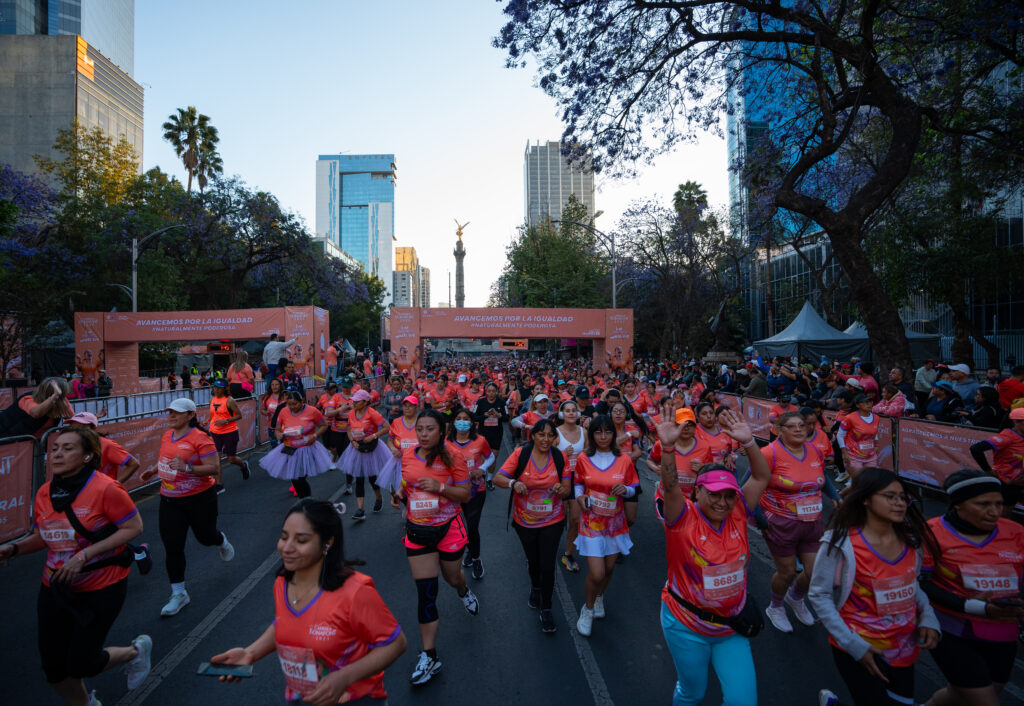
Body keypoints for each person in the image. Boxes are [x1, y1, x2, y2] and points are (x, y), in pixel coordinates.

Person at [0, 427, 152, 705]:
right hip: (56, 587)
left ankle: (135, 652)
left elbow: (134, 527)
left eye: (68, 448)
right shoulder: (46, 492)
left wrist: (83, 556)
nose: (57, 453)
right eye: (55, 448)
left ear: (87, 456)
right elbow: (43, 536)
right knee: (54, 670)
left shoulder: (106, 488)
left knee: (81, 663)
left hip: (102, 586)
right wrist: (12, 549)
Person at [210, 499, 406, 704]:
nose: (287, 547)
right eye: (283, 537)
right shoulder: (282, 582)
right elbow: (285, 622)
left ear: (327, 543)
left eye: (301, 541)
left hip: (354, 699)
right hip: (301, 697)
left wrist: (344, 677)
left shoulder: (355, 591)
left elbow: (396, 644)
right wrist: (250, 653)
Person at [654, 403, 770, 706]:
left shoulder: (738, 513)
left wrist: (749, 441)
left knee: (744, 702)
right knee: (692, 692)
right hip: (686, 625)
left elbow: (760, 477)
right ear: (697, 493)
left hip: (731, 627)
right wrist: (668, 449)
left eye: (729, 494)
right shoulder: (682, 518)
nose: (722, 502)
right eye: (714, 494)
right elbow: (669, 485)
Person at [809, 468, 941, 706]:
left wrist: (929, 617)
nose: (899, 503)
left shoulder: (912, 541)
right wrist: (853, 645)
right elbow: (819, 595)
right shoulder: (840, 544)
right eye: (890, 497)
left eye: (902, 497)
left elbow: (913, 586)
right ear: (866, 499)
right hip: (857, 646)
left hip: (904, 649)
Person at [920, 470, 1024, 706]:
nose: (994, 511)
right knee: (983, 700)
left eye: (998, 503)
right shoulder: (933, 532)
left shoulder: (1016, 532)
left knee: (962, 694)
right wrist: (977, 607)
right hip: (952, 627)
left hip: (1003, 626)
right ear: (958, 504)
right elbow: (922, 584)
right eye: (983, 504)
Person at [391, 410, 479, 686]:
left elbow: (465, 494)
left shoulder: (454, 455)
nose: (424, 434)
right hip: (418, 530)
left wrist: (440, 487)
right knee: (426, 592)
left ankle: (464, 591)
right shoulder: (409, 454)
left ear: (442, 431)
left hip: (448, 528)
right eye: (420, 429)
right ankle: (430, 656)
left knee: (452, 578)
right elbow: (408, 480)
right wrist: (399, 493)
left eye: (430, 429)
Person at [135, 399, 234, 618]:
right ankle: (179, 594)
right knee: (173, 547)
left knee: (205, 537)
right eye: (169, 412)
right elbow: (167, 460)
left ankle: (220, 540)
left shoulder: (201, 438)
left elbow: (214, 467)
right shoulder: (166, 435)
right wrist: (153, 471)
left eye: (176, 413)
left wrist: (188, 468)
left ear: (190, 415)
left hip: (200, 499)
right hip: (170, 500)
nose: (171, 416)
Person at [759, 410, 835, 634]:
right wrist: (760, 519)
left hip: (813, 522)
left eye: (802, 425)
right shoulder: (768, 453)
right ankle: (776, 606)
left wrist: (837, 497)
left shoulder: (814, 451)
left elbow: (823, 476)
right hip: (781, 523)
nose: (799, 429)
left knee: (815, 572)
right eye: (792, 426)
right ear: (780, 431)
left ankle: (795, 598)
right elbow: (748, 487)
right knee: (788, 572)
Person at [495, 418, 569, 633]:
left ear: (554, 438)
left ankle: (546, 608)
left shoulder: (559, 456)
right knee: (534, 561)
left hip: (552, 520)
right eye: (541, 434)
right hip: (524, 521)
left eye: (550, 435)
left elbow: (567, 488)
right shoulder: (521, 454)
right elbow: (499, 477)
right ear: (533, 436)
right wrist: (514, 483)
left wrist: (560, 489)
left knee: (547, 564)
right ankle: (535, 586)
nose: (545, 439)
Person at [572, 414, 639, 637]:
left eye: (607, 432)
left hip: (615, 523)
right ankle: (587, 609)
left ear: (613, 434)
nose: (603, 436)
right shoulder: (583, 458)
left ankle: (599, 597)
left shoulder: (624, 460)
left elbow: (633, 486)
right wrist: (580, 497)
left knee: (609, 568)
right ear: (592, 435)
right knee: (597, 572)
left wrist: (626, 491)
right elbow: (579, 482)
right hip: (591, 521)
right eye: (598, 432)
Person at [447, 407, 495, 581]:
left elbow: (490, 457)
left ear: (472, 422)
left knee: (472, 526)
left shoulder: (480, 440)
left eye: (465, 418)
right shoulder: (446, 442)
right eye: (458, 418)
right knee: (457, 526)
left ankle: (476, 558)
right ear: (453, 422)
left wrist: (481, 469)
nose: (462, 421)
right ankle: (468, 550)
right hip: (453, 491)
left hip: (475, 489)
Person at [260, 390, 331, 499]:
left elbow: (324, 425)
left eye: (295, 404)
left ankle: (307, 501)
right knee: (294, 478)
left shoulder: (313, 411)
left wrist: (315, 435)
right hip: (289, 449)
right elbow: (277, 429)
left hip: (307, 449)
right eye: (289, 404)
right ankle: (303, 502)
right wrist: (278, 434)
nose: (292, 407)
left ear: (302, 401)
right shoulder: (283, 411)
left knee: (300, 478)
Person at [338, 390, 390, 521]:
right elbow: (349, 429)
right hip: (356, 447)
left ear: (365, 402)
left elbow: (386, 427)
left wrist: (373, 436)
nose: (354, 403)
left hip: (371, 448)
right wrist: (352, 441)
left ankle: (378, 497)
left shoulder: (372, 413)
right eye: (353, 400)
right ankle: (360, 509)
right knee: (359, 478)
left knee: (372, 478)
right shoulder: (351, 413)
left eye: (357, 401)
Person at [969, 407, 1024, 516]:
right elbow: (976, 449)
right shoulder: (1008, 437)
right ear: (1016, 422)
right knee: (1001, 519)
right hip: (1007, 483)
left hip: (1020, 483)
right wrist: (988, 470)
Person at [66, 412, 141, 484]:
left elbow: (134, 464)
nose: (76, 431)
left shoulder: (107, 444)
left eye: (81, 427)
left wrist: (115, 485)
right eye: (73, 428)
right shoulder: (72, 445)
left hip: (102, 493)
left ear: (93, 428)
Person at [556, 400, 586, 573]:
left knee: (575, 519)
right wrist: (561, 454)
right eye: (567, 411)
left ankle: (568, 554)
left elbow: (589, 454)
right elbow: (547, 455)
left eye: (574, 410)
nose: (571, 413)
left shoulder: (584, 432)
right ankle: (548, 546)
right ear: (562, 414)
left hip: (578, 479)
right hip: (560, 479)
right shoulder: (555, 432)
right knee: (559, 519)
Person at [208, 380, 251, 493]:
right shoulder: (212, 400)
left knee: (231, 459)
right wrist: (207, 421)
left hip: (229, 432)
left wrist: (226, 420)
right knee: (216, 460)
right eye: (214, 387)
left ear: (225, 389)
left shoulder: (230, 400)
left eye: (219, 388)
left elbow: (239, 415)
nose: (216, 390)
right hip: (215, 432)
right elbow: (213, 414)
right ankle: (219, 485)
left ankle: (243, 466)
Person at [0, 377, 71, 439]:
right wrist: (54, 397)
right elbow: (36, 413)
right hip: (10, 438)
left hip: (39, 441)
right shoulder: (28, 398)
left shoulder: (60, 400)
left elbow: (71, 417)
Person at [473, 382, 508, 490]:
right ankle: (483, 477)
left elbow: (507, 418)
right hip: (483, 434)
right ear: (486, 392)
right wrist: (484, 416)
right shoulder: (480, 402)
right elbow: (473, 417)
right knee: (484, 458)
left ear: (497, 392)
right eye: (489, 391)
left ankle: (489, 479)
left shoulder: (501, 402)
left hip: (497, 434)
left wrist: (499, 416)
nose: (491, 393)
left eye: (493, 391)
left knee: (492, 459)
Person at [838, 394, 880, 482]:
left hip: (870, 455)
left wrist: (877, 446)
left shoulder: (876, 418)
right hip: (853, 455)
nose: (869, 404)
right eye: (865, 402)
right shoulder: (849, 418)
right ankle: (843, 494)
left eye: (870, 401)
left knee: (870, 481)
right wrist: (844, 453)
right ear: (857, 405)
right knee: (858, 481)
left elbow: (875, 434)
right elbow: (840, 435)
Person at [260, 377, 288, 447]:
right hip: (272, 427)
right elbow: (262, 409)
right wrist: (265, 412)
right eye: (272, 385)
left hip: (285, 427)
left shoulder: (285, 396)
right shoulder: (267, 397)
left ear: (280, 385)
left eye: (276, 384)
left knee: (285, 447)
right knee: (274, 448)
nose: (274, 386)